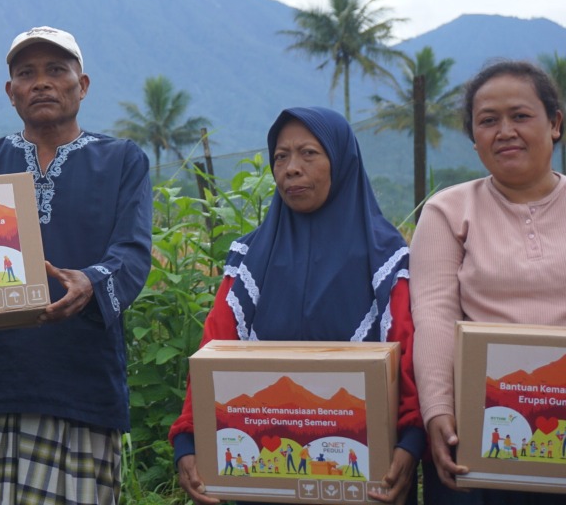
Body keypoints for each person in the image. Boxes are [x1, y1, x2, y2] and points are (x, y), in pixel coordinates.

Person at [169, 107, 424, 505]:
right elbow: (213, 350)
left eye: (308, 153)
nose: (291, 168)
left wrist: (411, 440)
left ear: (341, 161)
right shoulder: (250, 259)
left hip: (368, 480)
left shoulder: (385, 258)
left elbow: (408, 355)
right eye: (280, 156)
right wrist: (188, 438)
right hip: (264, 479)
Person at [0, 26, 152, 505]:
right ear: (10, 92)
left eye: (56, 70)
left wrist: (91, 282)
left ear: (83, 85)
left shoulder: (122, 160)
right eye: (26, 73)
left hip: (83, 380)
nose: (41, 82)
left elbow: (133, 252)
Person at [413, 60, 566, 505]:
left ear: (554, 124)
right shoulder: (448, 211)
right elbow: (434, 317)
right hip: (478, 426)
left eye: (520, 115)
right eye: (488, 121)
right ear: (474, 137)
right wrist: (438, 409)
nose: (505, 131)